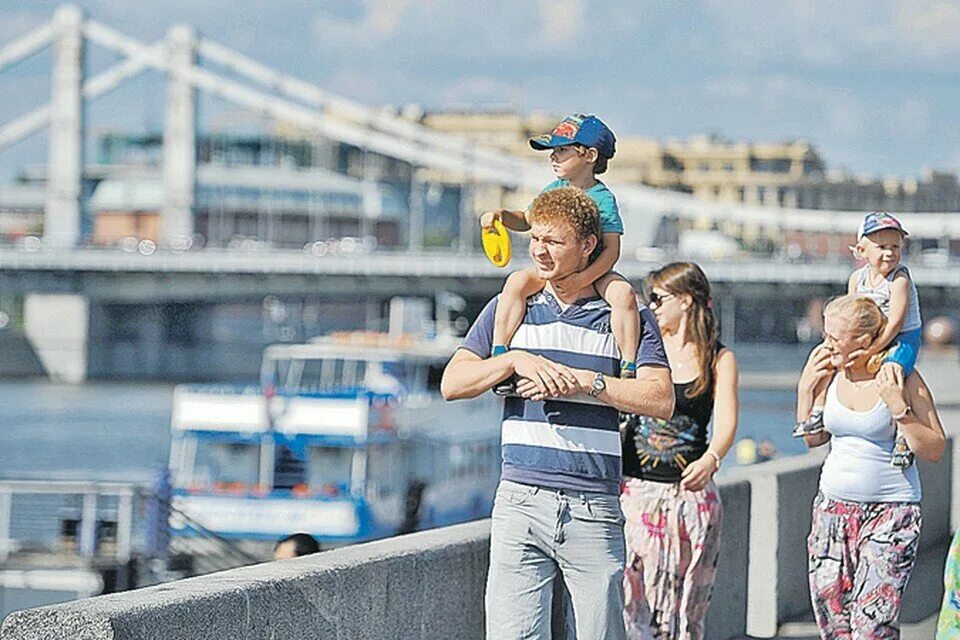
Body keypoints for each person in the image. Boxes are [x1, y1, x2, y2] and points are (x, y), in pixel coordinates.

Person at [442, 186, 674, 640]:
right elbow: (453, 384)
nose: (539, 251)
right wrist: (511, 361)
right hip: (518, 501)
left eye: (554, 241)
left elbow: (660, 399)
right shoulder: (511, 308)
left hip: (593, 505)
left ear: (588, 246)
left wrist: (586, 382)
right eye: (536, 239)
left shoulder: (625, 314)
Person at [797, 294, 945, 639]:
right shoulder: (830, 374)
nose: (826, 344)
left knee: (871, 624)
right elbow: (813, 440)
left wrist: (899, 409)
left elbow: (935, 448)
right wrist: (806, 389)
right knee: (833, 621)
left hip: (891, 514)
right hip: (832, 513)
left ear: (863, 341)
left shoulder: (901, 378)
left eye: (834, 337)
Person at [620, 262, 739, 639]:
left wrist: (712, 459)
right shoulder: (641, 348)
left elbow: (725, 422)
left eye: (657, 298)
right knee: (634, 602)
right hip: (637, 495)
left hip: (690, 500)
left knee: (686, 608)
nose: (650, 306)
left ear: (685, 301)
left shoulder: (718, 359)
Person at [479, 113, 642, 385]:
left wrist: (583, 279)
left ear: (589, 156)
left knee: (623, 294)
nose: (553, 157)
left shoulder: (603, 199)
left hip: (593, 272)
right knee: (516, 281)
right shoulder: (553, 188)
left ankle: (628, 364)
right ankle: (500, 352)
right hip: (554, 268)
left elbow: (611, 251)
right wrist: (500, 215)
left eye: (562, 150)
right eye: (552, 151)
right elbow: (527, 219)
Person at [794, 212, 923, 469]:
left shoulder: (899, 280)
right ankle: (818, 411)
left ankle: (901, 437)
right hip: (871, 335)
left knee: (892, 371)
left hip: (902, 338)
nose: (889, 253)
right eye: (882, 247)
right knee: (830, 363)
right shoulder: (857, 279)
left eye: (895, 247)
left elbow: (896, 323)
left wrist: (871, 351)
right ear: (861, 251)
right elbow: (851, 311)